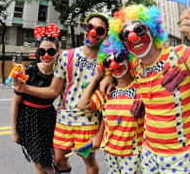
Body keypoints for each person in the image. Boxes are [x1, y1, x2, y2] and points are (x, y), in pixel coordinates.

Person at [100, 4, 190, 173]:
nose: (133, 37)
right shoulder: (136, 66)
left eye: (140, 30)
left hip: (178, 155)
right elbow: (116, 66)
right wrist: (108, 75)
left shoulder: (182, 55)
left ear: (152, 30)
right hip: (148, 151)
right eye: (125, 34)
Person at [16, 13, 109, 174]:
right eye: (89, 27)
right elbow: (53, 91)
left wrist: (99, 134)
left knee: (89, 160)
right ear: (84, 28)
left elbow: (107, 105)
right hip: (63, 121)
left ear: (105, 34)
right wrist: (25, 89)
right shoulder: (66, 56)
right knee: (59, 159)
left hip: (88, 123)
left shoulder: (107, 62)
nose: (93, 32)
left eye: (99, 30)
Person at [77, 29, 145, 173]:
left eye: (119, 58)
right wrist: (97, 78)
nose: (114, 65)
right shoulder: (106, 91)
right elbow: (82, 104)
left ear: (129, 60)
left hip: (134, 153)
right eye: (108, 61)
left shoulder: (142, 88)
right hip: (109, 151)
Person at [11, 33, 61, 174]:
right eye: (42, 51)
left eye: (51, 51)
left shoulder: (59, 73)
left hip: (48, 119)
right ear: (37, 52)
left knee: (46, 162)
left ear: (57, 52)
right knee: (36, 160)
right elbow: (15, 103)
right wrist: (14, 130)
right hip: (28, 119)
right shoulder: (29, 71)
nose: (46, 55)